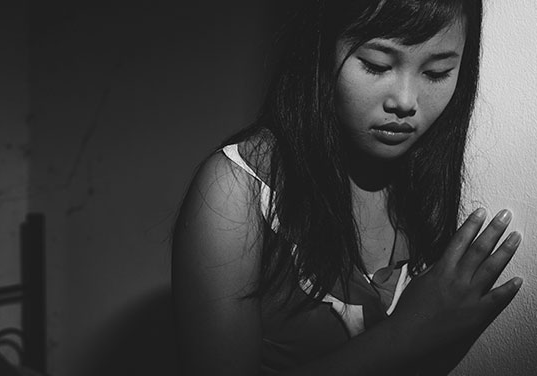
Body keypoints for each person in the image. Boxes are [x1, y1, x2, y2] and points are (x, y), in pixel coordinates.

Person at [171, 1, 524, 375]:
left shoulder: (431, 185)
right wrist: (406, 333)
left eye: (437, 72)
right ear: (320, 49)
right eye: (376, 65)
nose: (405, 101)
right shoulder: (236, 189)